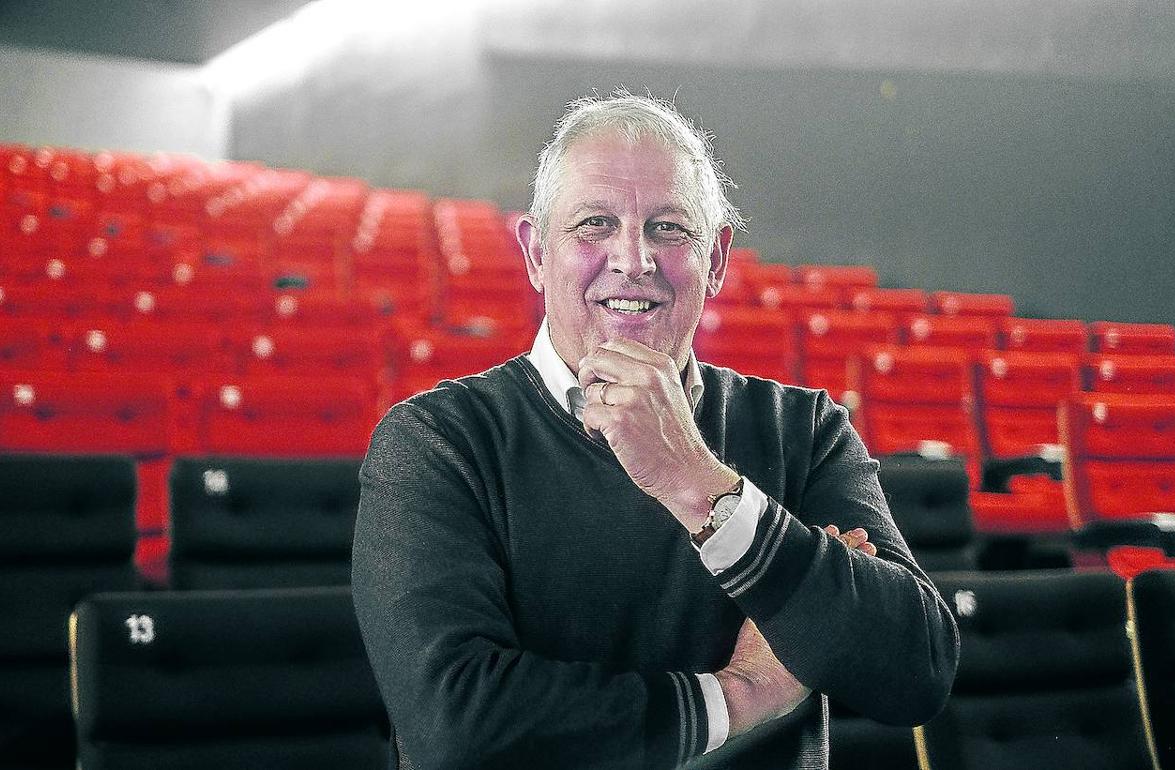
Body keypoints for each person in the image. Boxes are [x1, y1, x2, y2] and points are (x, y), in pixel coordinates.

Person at [352, 91, 959, 770]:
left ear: (718, 258)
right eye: (594, 224)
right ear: (534, 253)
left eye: (670, 228)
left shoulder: (803, 431)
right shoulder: (437, 442)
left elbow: (917, 668)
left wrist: (698, 484)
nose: (634, 258)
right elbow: (457, 728)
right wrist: (742, 694)